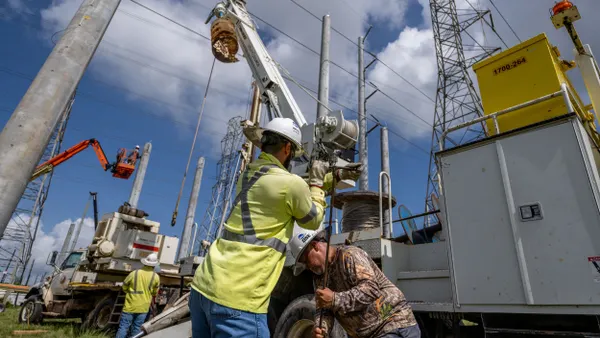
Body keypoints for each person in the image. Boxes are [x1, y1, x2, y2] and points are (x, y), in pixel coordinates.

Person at [189, 117, 362, 337]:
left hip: (204, 288)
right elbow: (312, 218)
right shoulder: (290, 184)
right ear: (288, 147)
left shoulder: (248, 175)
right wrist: (319, 183)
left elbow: (289, 189)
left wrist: (333, 177)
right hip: (238, 298)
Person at [290, 228, 421, 338]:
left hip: (393, 325)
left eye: (306, 261)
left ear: (315, 246)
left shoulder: (350, 256)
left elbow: (371, 289)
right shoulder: (319, 278)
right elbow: (324, 309)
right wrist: (321, 328)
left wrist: (335, 299)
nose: (307, 266)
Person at [116, 253, 160, 338]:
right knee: (136, 329)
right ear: (154, 265)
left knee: (124, 327)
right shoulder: (156, 277)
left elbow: (124, 286)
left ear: (144, 263)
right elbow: (155, 293)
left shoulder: (134, 273)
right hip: (143, 307)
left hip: (130, 305)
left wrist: (128, 291)